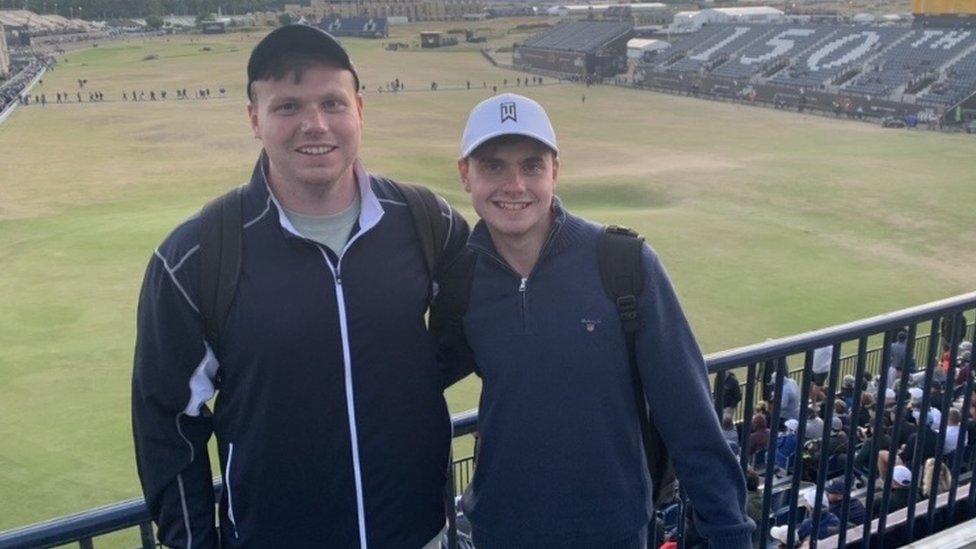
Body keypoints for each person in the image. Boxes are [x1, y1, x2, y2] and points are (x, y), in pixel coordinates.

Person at [132, 25, 472, 548]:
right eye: (287, 107)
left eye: (332, 103)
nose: (315, 125)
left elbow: (465, 339)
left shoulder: (428, 220)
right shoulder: (194, 258)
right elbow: (167, 428)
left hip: (421, 534)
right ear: (254, 119)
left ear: (360, 109)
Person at [454, 94, 754, 548]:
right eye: (493, 166)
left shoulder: (625, 264)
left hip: (613, 531)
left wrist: (731, 534)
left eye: (532, 166)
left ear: (555, 171)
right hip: (500, 528)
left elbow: (690, 417)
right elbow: (407, 385)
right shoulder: (461, 278)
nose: (514, 184)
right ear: (465, 174)